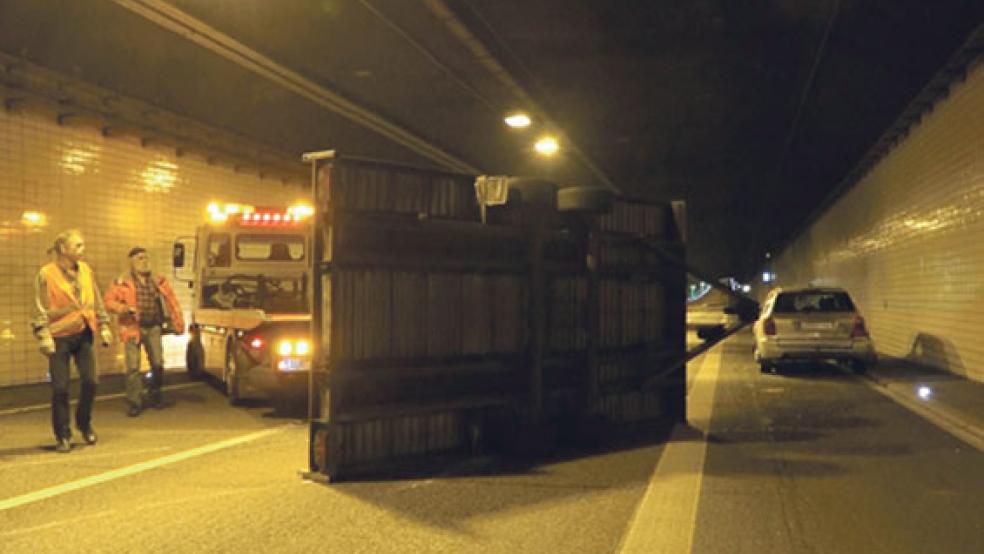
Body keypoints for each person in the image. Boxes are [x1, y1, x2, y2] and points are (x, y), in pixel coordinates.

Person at [32, 229, 113, 453]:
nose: (82, 250)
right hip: (59, 338)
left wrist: (104, 324)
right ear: (63, 249)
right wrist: (43, 335)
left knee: (91, 381)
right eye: (78, 246)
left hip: (84, 333)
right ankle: (63, 435)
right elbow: (38, 308)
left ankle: (83, 422)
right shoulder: (46, 274)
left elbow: (95, 299)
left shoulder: (86, 270)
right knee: (60, 388)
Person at [104, 247, 185, 416]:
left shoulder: (158, 281)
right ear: (132, 263)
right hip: (132, 327)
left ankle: (155, 393)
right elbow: (109, 302)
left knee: (158, 363)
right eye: (140, 258)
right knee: (133, 367)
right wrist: (124, 308)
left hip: (153, 326)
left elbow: (172, 302)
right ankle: (135, 401)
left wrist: (178, 324)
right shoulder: (121, 282)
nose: (145, 261)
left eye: (146, 258)